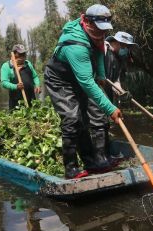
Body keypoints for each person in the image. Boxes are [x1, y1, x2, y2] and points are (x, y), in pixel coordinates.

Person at [44, 4, 123, 179]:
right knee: (73, 119)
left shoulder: (97, 34)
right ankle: (71, 169)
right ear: (85, 21)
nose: (101, 34)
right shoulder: (75, 45)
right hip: (60, 80)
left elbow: (99, 50)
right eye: (98, 29)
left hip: (79, 76)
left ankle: (92, 163)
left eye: (104, 30)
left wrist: (101, 74)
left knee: (88, 117)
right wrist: (110, 108)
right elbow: (87, 82)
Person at [0, 44, 41, 110]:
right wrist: (16, 86)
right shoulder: (6, 66)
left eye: (24, 54)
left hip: (31, 100)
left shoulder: (28, 63)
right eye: (20, 54)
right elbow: (4, 83)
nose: (22, 57)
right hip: (16, 103)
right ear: (13, 55)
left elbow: (35, 76)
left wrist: (37, 85)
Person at [104, 31, 137, 103]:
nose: (126, 49)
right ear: (116, 42)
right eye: (124, 46)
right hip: (96, 96)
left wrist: (121, 92)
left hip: (107, 98)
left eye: (128, 47)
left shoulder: (119, 59)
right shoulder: (103, 50)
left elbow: (115, 81)